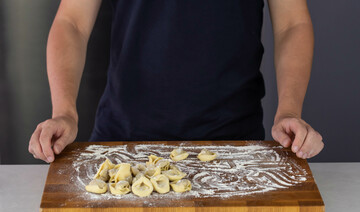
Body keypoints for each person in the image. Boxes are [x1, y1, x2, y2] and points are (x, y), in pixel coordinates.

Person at [28, 0, 324, 163]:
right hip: (122, 144)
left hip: (234, 147)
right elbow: (72, 22)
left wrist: (289, 110)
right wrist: (64, 111)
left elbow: (292, 23)